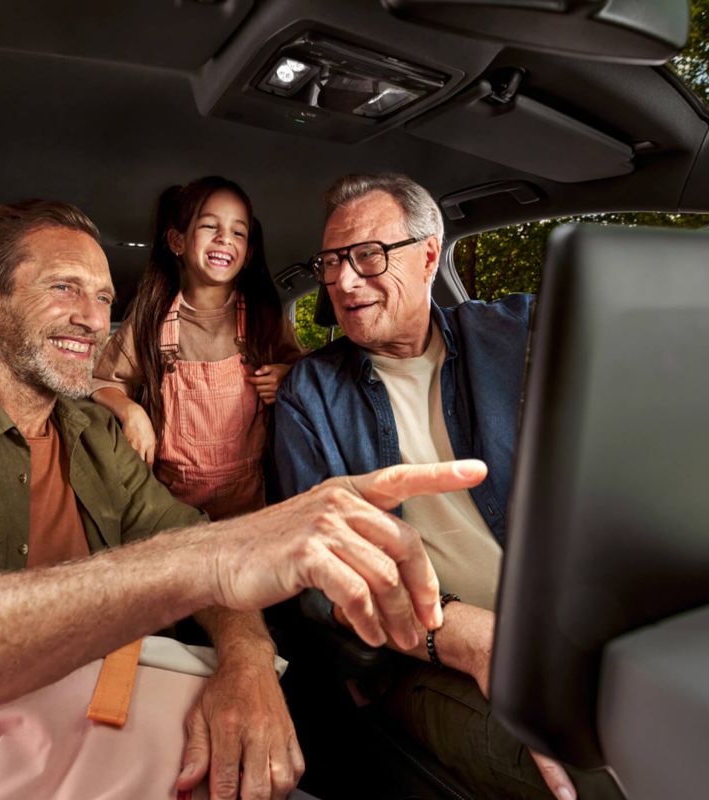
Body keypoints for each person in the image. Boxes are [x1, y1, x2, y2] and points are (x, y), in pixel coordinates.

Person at [0, 197, 492, 800]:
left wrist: (247, 664)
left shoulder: (95, 437)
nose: (92, 319)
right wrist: (207, 559)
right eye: (65, 287)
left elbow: (190, 539)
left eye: (105, 298)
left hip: (109, 733)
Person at [272, 173, 623, 800]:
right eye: (331, 262)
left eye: (367, 256)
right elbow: (316, 577)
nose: (343, 281)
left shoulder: (515, 332)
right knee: (600, 774)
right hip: (425, 655)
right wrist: (460, 633)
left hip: (578, 622)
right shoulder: (311, 395)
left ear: (430, 253)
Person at [92, 177, 303, 520]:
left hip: (249, 510)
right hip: (169, 509)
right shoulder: (151, 319)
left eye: (238, 231)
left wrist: (288, 377)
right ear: (177, 241)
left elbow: (308, 377)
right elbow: (101, 383)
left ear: (247, 253)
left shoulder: (264, 320)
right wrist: (131, 412)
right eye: (209, 226)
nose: (224, 238)